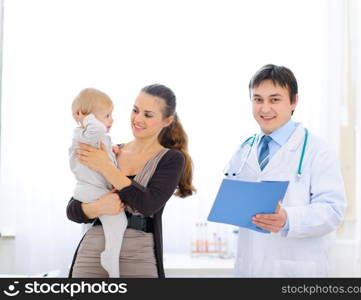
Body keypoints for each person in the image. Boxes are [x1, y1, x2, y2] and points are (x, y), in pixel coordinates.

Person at [223, 64, 346, 277]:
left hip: (296, 270)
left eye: (274, 99)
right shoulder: (245, 149)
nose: (265, 108)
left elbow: (333, 211)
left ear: (294, 101)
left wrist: (288, 218)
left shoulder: (318, 150)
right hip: (249, 267)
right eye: (258, 99)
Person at [66, 84, 195, 278]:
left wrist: (107, 168)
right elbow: (73, 209)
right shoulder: (109, 150)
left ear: (167, 121)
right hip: (92, 253)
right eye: (135, 110)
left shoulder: (171, 159)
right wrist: (98, 207)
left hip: (139, 255)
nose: (137, 119)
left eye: (148, 114)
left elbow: (148, 204)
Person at [69, 88, 127, 278]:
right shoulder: (85, 133)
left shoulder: (93, 137)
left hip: (91, 190)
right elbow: (98, 129)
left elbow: (103, 157)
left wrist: (113, 150)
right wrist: (85, 117)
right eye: (107, 115)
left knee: (95, 226)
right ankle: (110, 257)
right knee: (119, 220)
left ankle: (109, 257)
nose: (111, 120)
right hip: (90, 190)